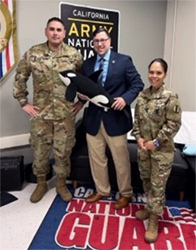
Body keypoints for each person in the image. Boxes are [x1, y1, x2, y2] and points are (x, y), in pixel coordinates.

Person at [13, 17, 83, 203]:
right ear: (46, 31)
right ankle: (41, 183)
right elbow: (20, 77)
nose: (55, 33)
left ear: (64, 33)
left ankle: (61, 184)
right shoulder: (33, 53)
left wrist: (81, 103)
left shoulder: (73, 54)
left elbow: (84, 82)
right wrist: (23, 102)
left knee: (63, 151)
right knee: (40, 151)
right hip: (41, 114)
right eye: (51, 29)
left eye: (59, 29)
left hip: (65, 115)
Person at [75, 27, 144, 209]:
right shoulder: (88, 64)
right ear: (93, 43)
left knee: (120, 160)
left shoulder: (123, 61)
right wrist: (81, 95)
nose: (100, 44)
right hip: (93, 119)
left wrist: (125, 99)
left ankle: (125, 193)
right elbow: (83, 87)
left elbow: (138, 84)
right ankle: (102, 190)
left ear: (110, 41)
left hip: (116, 119)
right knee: (97, 158)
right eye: (96, 41)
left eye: (103, 40)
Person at [131, 58, 182, 243]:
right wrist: (138, 138)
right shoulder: (143, 96)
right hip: (144, 150)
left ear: (165, 75)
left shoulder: (170, 96)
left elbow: (174, 124)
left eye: (158, 73)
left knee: (157, 187)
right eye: (152, 72)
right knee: (146, 182)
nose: (154, 76)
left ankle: (154, 220)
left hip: (161, 152)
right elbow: (136, 122)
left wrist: (157, 142)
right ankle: (149, 207)